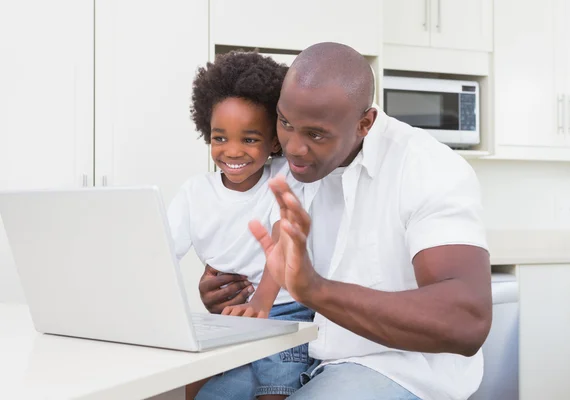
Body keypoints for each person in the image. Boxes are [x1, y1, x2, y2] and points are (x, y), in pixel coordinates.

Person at [200, 42, 493, 400]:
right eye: (285, 123)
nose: (293, 146)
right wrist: (228, 290)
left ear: (364, 124)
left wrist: (315, 289)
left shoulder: (427, 168)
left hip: (400, 366)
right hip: (307, 351)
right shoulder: (287, 170)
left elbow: (466, 320)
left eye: (316, 134)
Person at [167, 50, 313, 400]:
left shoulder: (283, 179)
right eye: (220, 138)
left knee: (273, 390)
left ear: (274, 141)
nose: (232, 151)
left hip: (283, 310)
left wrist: (262, 303)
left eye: (249, 139)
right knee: (190, 388)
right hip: (228, 317)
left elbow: (283, 241)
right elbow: (160, 251)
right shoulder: (194, 192)